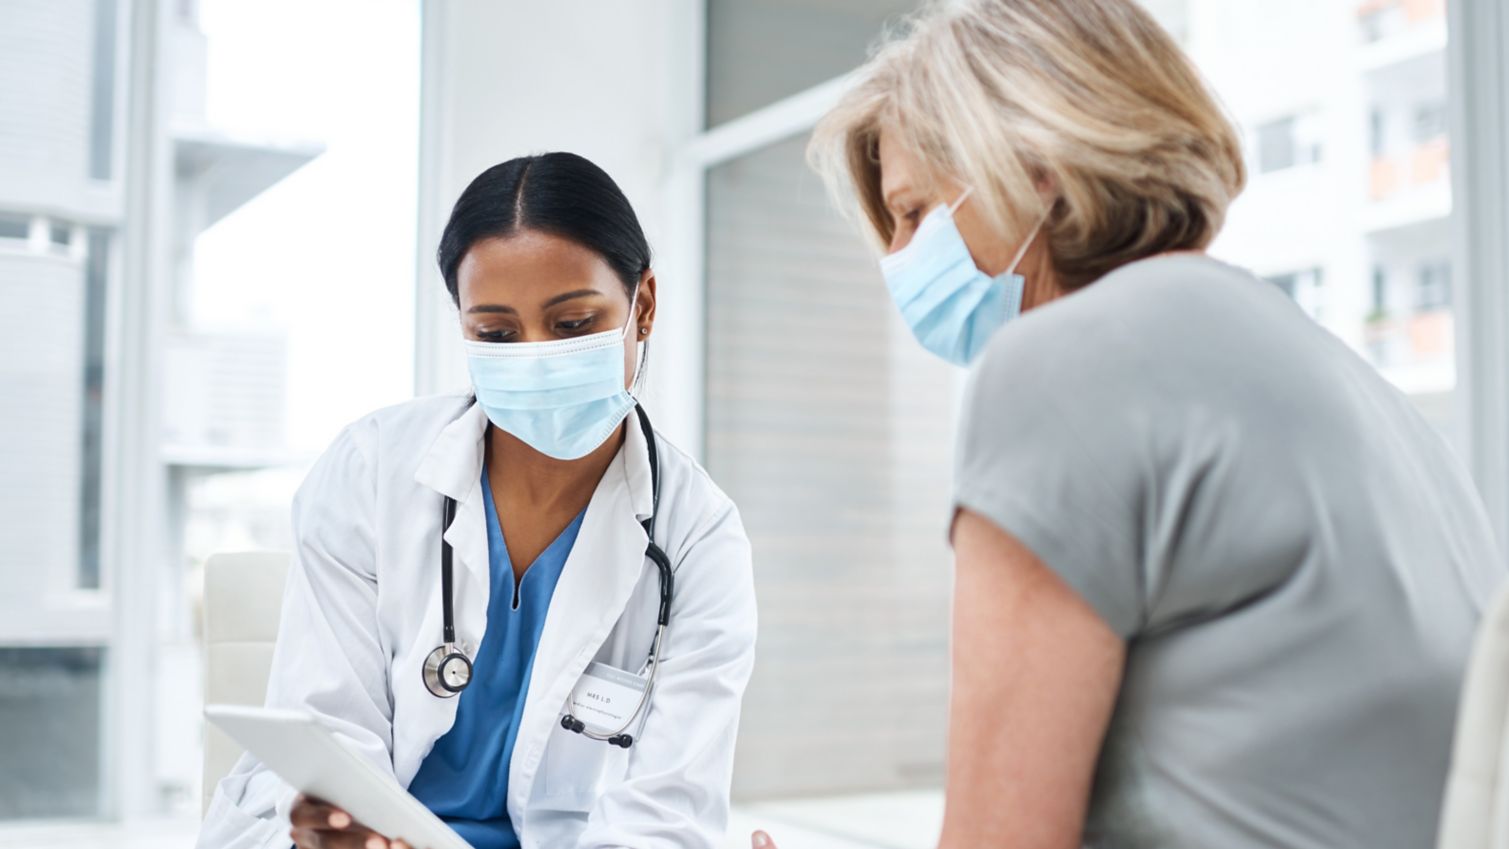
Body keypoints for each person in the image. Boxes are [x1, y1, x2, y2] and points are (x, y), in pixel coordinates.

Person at [768, 1, 1507, 847]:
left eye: (910, 213)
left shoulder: (1060, 365)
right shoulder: (1352, 383)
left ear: (1035, 166)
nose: (899, 260)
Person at [197, 152, 757, 849]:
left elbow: (663, 813)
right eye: (494, 333)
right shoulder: (370, 471)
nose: (535, 355)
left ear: (642, 306)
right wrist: (335, 824)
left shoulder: (698, 537)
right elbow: (331, 736)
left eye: (573, 323)